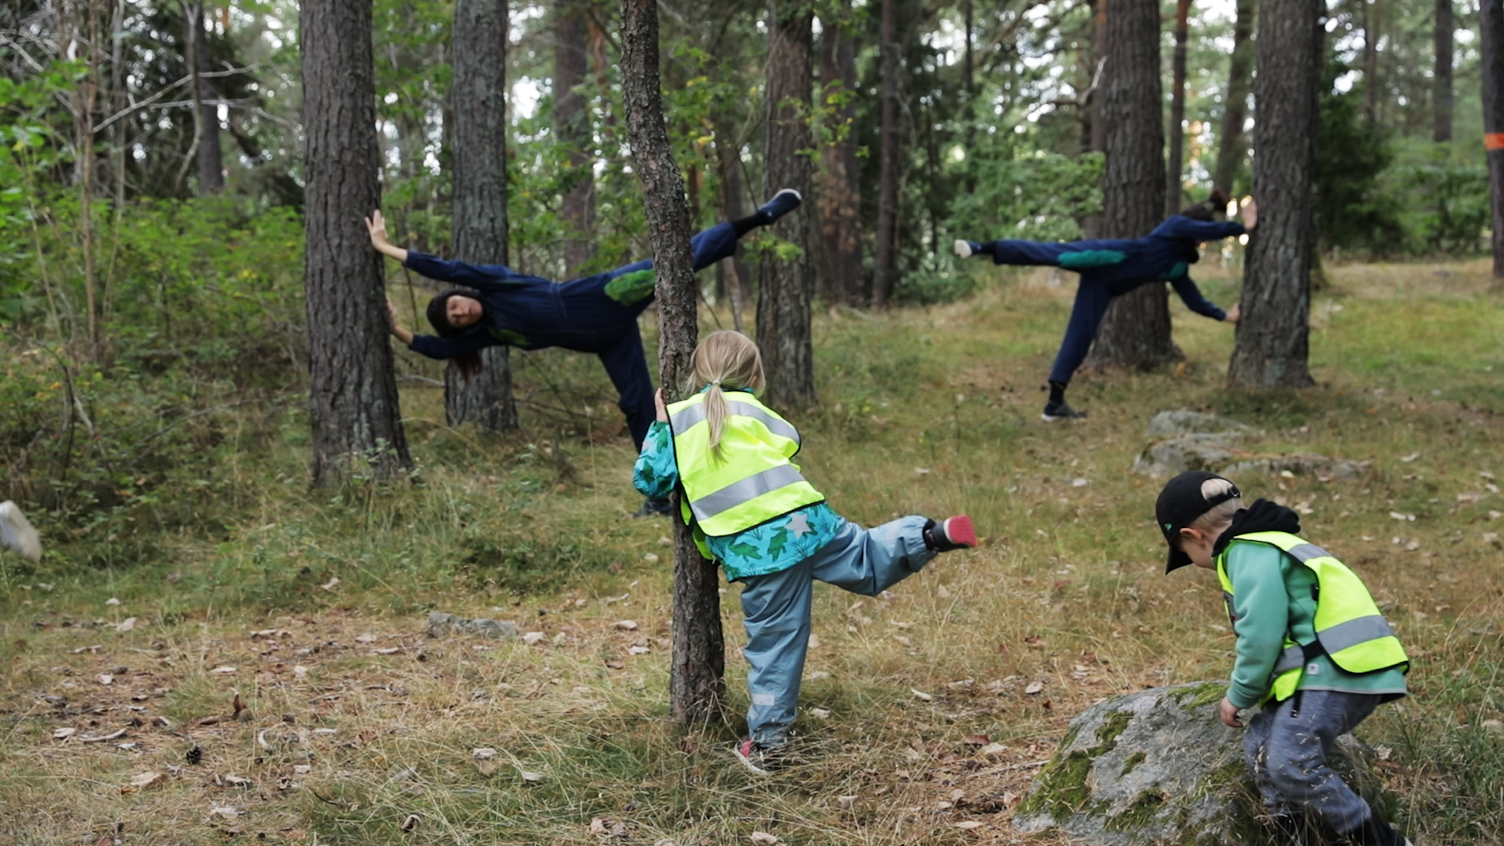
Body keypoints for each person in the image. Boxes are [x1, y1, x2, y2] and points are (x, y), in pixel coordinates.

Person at [633, 330, 977, 774]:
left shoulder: (678, 421)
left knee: (776, 644)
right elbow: (789, 441)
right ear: (754, 376)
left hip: (762, 551)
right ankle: (928, 535)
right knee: (866, 557)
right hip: (808, 518)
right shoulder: (755, 408)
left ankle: (768, 744)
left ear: (697, 372)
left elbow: (651, 480)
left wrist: (661, 424)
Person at [369, 189, 805, 517]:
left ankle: (761, 216)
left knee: (680, 258)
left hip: (606, 295)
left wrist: (389, 249)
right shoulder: (497, 330)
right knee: (638, 405)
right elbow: (440, 349)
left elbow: (446, 268)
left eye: (456, 305)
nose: (461, 312)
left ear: (461, 295)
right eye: (457, 319)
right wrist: (395, 330)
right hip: (609, 340)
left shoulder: (496, 285)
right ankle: (660, 499)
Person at [1155, 471, 1413, 846]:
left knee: (1290, 762)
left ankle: (1380, 840)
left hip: (1332, 669)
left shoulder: (1244, 551)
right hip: (1340, 665)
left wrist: (1240, 694)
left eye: (1185, 554)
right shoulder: (1273, 541)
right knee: (1259, 744)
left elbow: (1261, 633)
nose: (1195, 561)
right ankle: (1292, 834)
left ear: (1193, 537)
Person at [954, 191, 1255, 421]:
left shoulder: (1176, 266)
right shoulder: (1175, 226)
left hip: (1103, 286)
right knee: (1052, 254)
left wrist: (1226, 316)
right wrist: (1243, 228)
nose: (1203, 241)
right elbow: (1214, 232)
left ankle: (1054, 404)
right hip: (1107, 256)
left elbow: (1194, 300)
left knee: (1081, 336)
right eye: (1202, 235)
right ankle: (981, 247)